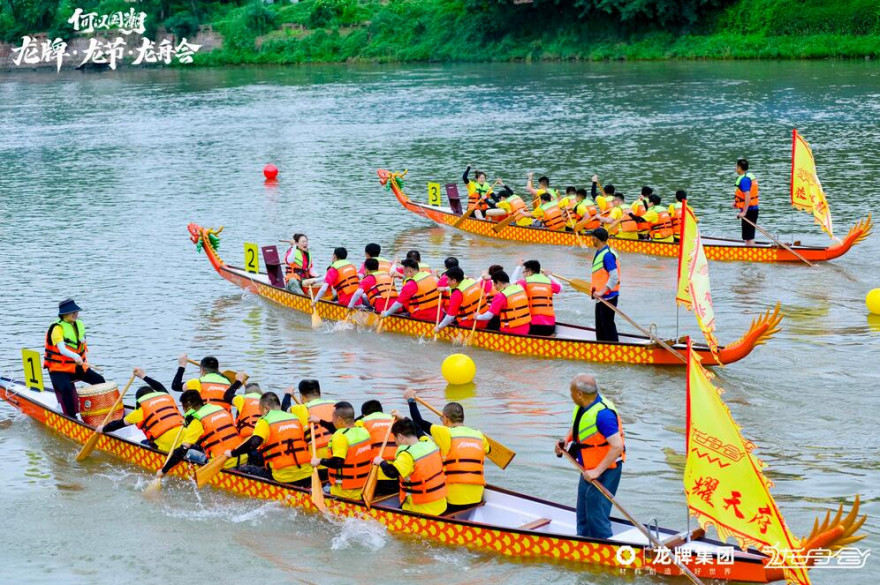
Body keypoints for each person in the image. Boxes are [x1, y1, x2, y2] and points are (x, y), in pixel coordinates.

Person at [555, 374, 625, 539]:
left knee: (596, 516)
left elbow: (617, 446)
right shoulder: (582, 405)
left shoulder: (604, 415)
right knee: (583, 514)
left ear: (579, 393)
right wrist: (566, 441)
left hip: (605, 469)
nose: (570, 394)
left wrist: (597, 471)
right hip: (587, 467)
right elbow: (578, 424)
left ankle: (605, 550)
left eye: (571, 391)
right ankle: (583, 542)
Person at [404, 389, 489, 513]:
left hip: (452, 500)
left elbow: (419, 422)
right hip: (477, 497)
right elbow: (489, 450)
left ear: (446, 419)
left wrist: (411, 400)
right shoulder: (479, 435)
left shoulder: (445, 433)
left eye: (442, 419)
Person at [154, 389, 246, 482]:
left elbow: (183, 450)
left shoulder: (198, 420)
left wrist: (163, 471)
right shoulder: (220, 409)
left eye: (184, 407)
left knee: (189, 452)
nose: (184, 410)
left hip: (223, 464)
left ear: (189, 405)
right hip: (242, 456)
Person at [224, 392, 313, 486]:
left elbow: (254, 442)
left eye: (260, 410)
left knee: (243, 469)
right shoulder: (295, 418)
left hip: (283, 478)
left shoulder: (265, 420)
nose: (260, 413)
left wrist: (232, 453)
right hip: (307, 475)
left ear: (266, 408)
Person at [44, 298, 105, 417]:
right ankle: (72, 418)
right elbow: (62, 349)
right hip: (59, 369)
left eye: (76, 312)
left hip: (77, 367)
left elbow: (80, 344)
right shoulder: (57, 328)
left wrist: (79, 359)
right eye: (72, 312)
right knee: (66, 388)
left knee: (100, 381)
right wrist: (75, 356)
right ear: (64, 314)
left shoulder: (79, 325)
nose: (75, 314)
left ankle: (100, 410)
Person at [98, 367, 184, 452]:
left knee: (143, 442)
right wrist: (143, 376)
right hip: (186, 439)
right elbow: (159, 386)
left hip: (168, 447)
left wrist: (103, 429)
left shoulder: (141, 410)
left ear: (139, 400)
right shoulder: (166, 398)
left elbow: (118, 424)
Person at [374, 418, 448, 515]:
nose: (396, 443)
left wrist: (381, 462)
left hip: (421, 510)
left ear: (400, 437)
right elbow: (419, 430)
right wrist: (401, 417)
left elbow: (391, 472)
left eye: (395, 439)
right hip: (441, 505)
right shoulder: (429, 444)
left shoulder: (407, 454)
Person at [311, 401, 374, 500]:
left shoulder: (340, 436)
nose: (332, 420)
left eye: (333, 417)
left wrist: (319, 461)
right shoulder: (363, 431)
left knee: (313, 490)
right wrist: (320, 421)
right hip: (362, 488)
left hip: (343, 492)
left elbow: (337, 462)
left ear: (339, 419)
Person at [284, 379, 335, 460]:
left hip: (318, 461)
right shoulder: (335, 404)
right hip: (339, 457)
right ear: (319, 393)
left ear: (302, 396)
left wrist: (287, 394)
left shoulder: (301, 408)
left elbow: (284, 410)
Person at [172, 354, 240, 412]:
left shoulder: (197, 382)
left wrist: (182, 365)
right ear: (217, 369)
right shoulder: (228, 383)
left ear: (202, 370)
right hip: (225, 422)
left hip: (206, 420)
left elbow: (175, 385)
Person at [382, 259, 443, 323]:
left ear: (409, 272)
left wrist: (386, 313)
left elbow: (398, 304)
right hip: (438, 315)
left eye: (403, 272)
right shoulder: (429, 275)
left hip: (422, 317)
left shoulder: (410, 285)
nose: (403, 274)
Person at [512, 260, 562, 336]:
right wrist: (549, 275)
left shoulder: (524, 282)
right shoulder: (548, 281)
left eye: (524, 272)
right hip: (550, 327)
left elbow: (511, 283)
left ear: (528, 272)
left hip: (533, 326)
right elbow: (561, 287)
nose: (523, 274)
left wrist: (518, 266)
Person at [360, 400, 399, 496]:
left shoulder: (362, 422)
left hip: (377, 474)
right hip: (399, 471)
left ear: (364, 414)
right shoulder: (394, 419)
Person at [475, 270, 531, 335]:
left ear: (499, 283)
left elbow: (488, 316)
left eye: (494, 284)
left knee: (491, 321)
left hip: (511, 331)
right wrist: (490, 278)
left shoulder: (501, 295)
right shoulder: (519, 287)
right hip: (526, 328)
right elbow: (522, 281)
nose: (494, 287)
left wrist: (477, 317)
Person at [434, 267, 487, 334]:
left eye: (448, 280)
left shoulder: (457, 294)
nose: (447, 282)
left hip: (470, 324)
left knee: (446, 319)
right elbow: (462, 288)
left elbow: (450, 316)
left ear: (454, 281)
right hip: (484, 319)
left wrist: (439, 327)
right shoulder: (471, 281)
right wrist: (445, 288)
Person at [590, 229, 620, 342]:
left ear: (596, 239)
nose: (591, 240)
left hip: (608, 296)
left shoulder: (607, 255)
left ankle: (614, 349)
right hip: (600, 297)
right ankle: (602, 348)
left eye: (592, 238)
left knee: (607, 327)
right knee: (601, 329)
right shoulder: (599, 252)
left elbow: (614, 277)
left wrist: (602, 292)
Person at [734, 158, 759, 246]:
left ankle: (751, 256)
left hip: (749, 210)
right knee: (748, 236)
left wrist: (744, 212)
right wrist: (736, 203)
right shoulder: (748, 176)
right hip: (752, 209)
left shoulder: (744, 180)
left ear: (740, 168)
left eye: (736, 166)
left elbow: (747, 195)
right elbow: (745, 196)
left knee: (749, 237)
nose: (735, 168)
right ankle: (750, 254)